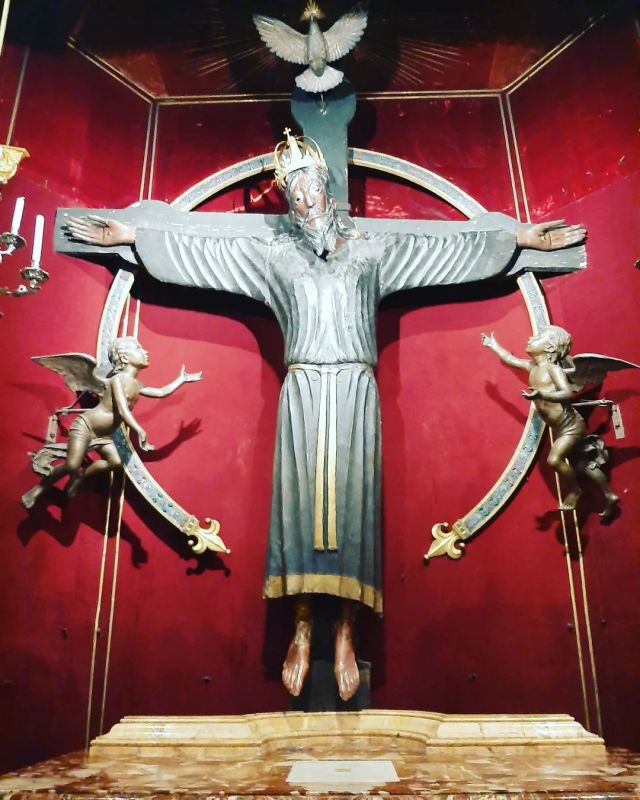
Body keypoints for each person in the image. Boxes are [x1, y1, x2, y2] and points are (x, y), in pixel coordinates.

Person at [66, 130, 585, 701]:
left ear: (329, 192)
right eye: (294, 193)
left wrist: (517, 238)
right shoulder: (274, 257)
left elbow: (445, 251)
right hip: (303, 392)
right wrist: (133, 236)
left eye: (312, 187)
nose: (305, 199)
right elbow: (205, 252)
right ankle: (301, 625)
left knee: (356, 505)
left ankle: (345, 630)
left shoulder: (372, 251)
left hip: (357, 391)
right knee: (298, 504)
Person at [22, 337, 202, 509]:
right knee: (71, 465)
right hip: (86, 426)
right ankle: (38, 489)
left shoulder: (136, 384)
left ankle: (81, 477)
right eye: (138, 348)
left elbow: (161, 392)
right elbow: (122, 410)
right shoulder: (118, 380)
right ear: (125, 357)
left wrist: (181, 379)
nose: (145, 352)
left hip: (104, 435)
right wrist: (139, 430)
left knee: (115, 462)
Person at [481, 325, 620, 518]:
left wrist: (542, 394)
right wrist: (493, 345)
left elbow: (567, 393)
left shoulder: (554, 370)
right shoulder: (532, 368)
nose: (530, 338)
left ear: (549, 348)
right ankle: (609, 495)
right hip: (561, 428)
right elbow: (510, 360)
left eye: (537, 337)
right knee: (583, 464)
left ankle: (575, 490)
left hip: (571, 426)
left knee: (554, 460)